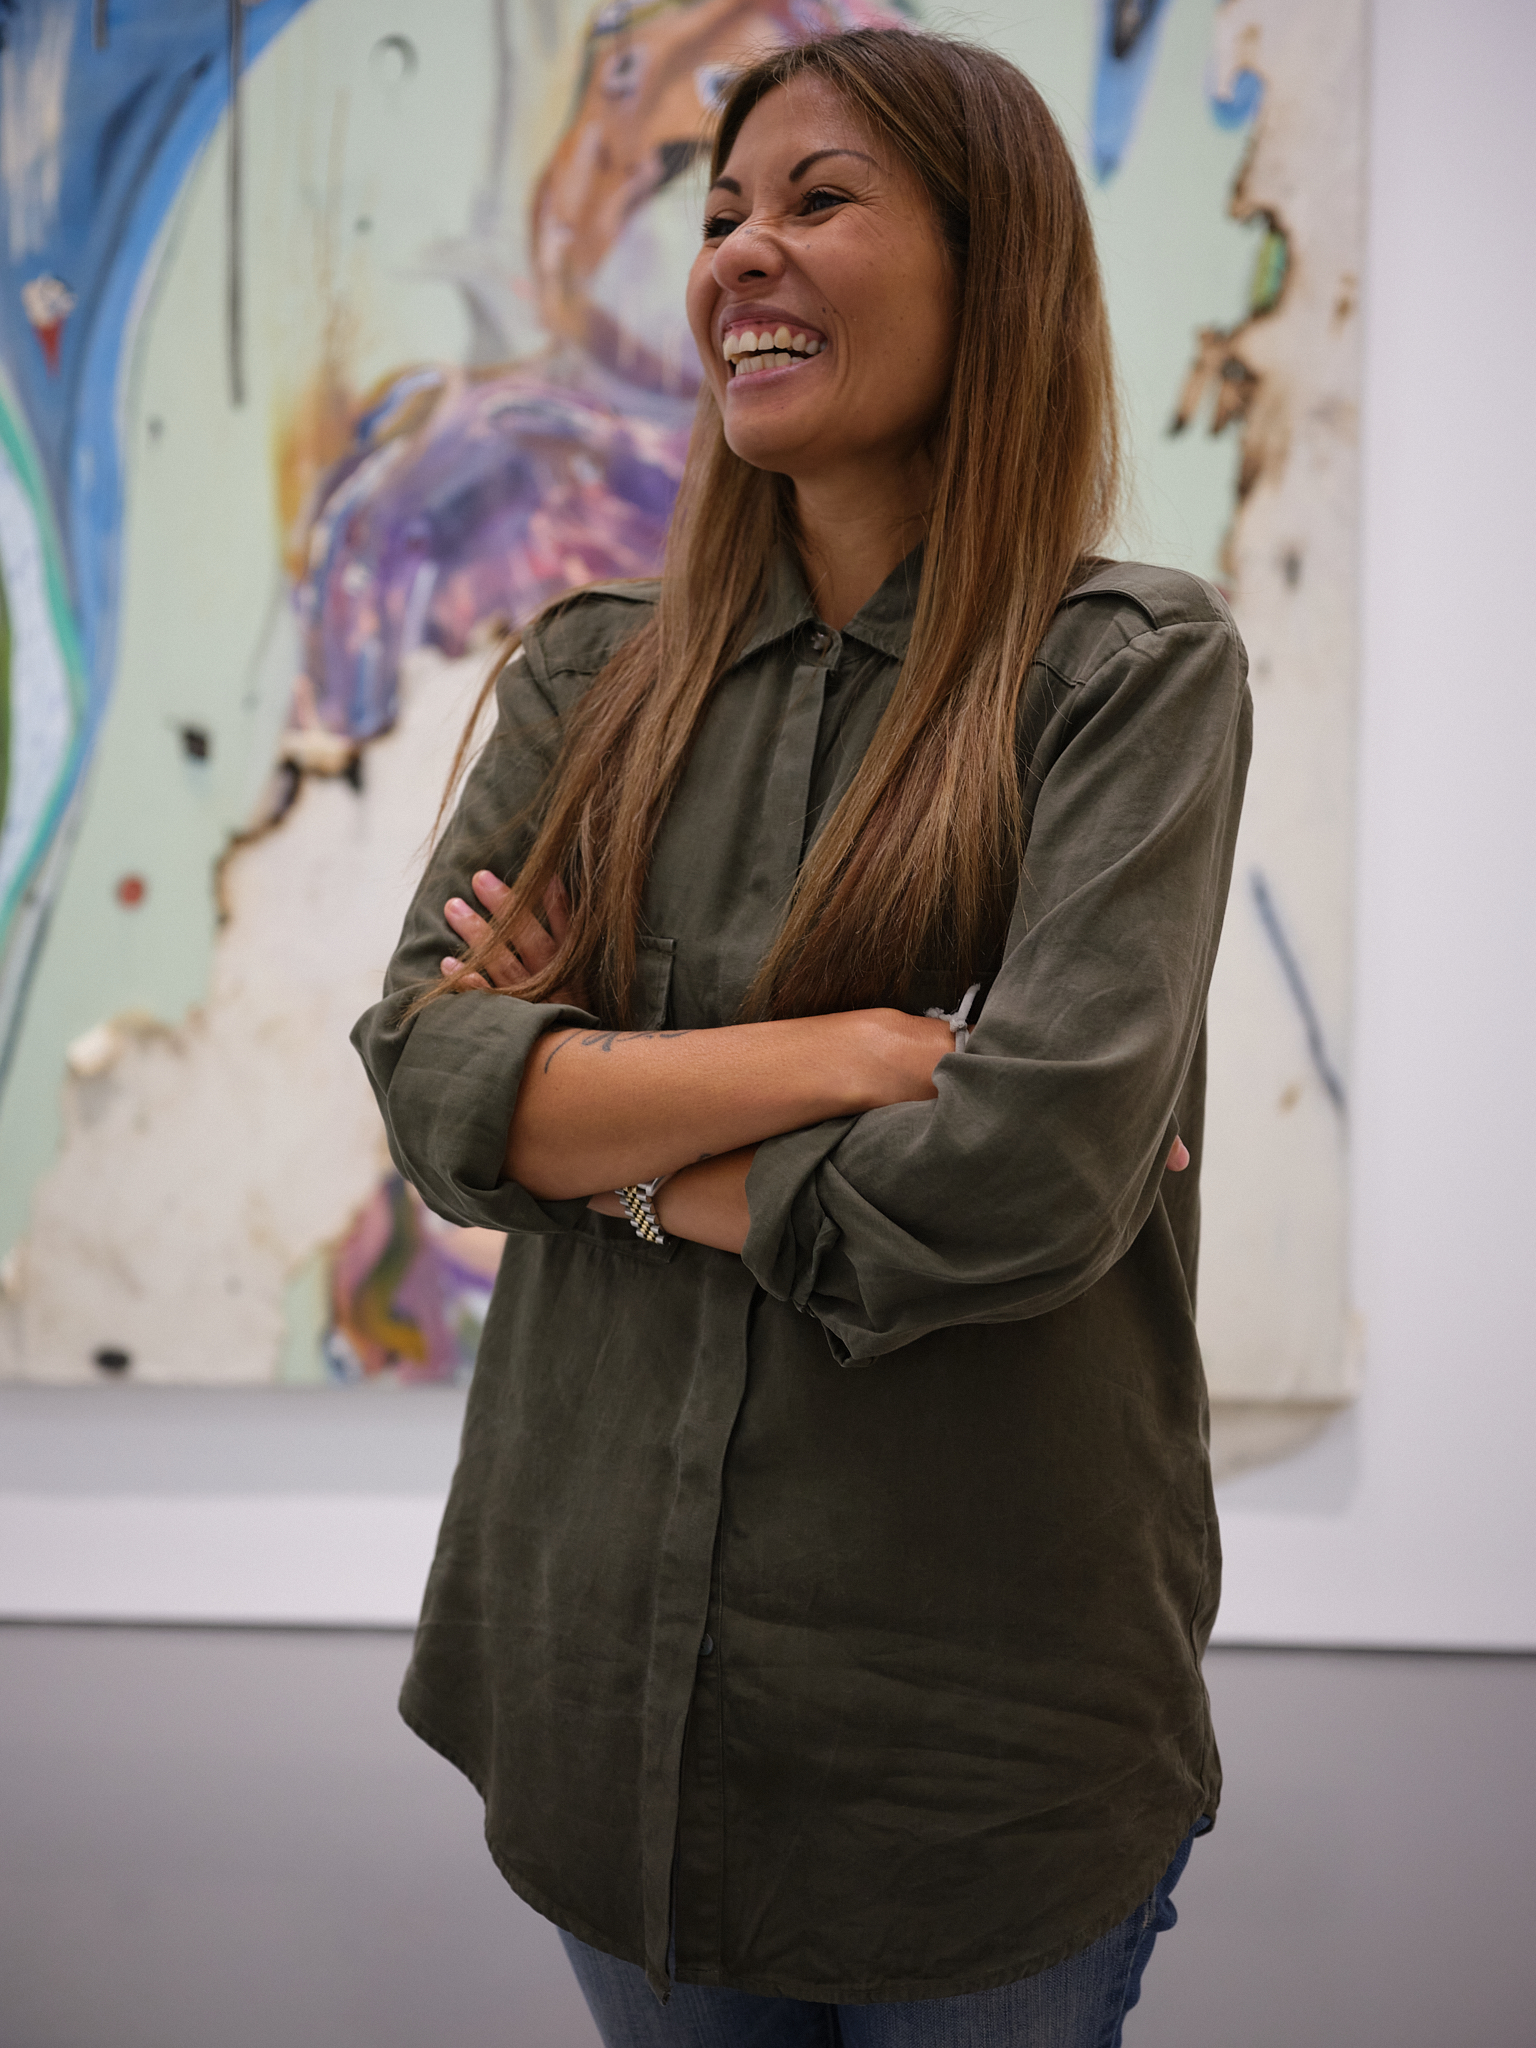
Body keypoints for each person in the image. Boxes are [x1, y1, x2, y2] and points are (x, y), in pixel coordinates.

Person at [353, 26, 1251, 2047]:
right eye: (724, 214)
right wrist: (861, 1054)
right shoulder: (591, 679)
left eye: (819, 201)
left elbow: (1020, 1178)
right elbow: (428, 1082)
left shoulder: (1126, 676)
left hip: (974, 1755)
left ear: (993, 269)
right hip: (596, 1706)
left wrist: (602, 1142)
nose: (739, 254)